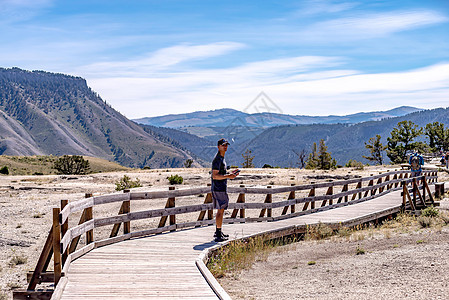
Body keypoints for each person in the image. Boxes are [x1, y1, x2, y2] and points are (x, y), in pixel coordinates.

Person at [211, 138, 239, 242]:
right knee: (220, 210)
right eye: (223, 145)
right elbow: (215, 176)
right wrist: (228, 176)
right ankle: (218, 234)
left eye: (226, 145)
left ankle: (219, 231)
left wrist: (231, 173)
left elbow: (221, 173)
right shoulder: (217, 160)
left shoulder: (222, 159)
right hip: (218, 188)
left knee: (221, 210)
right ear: (218, 146)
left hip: (221, 188)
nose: (225, 147)